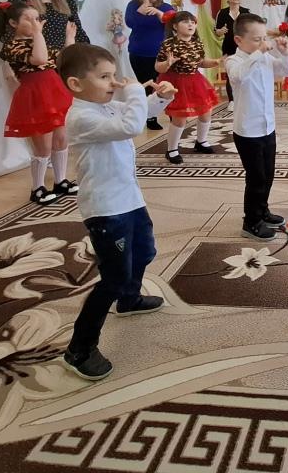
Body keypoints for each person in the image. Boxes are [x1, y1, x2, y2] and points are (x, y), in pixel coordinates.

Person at [57, 44, 176, 380]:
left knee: (145, 251)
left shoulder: (105, 107)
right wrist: (135, 90)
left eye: (113, 75)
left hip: (129, 199)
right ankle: (79, 349)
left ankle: (129, 300)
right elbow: (130, 126)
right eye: (104, 77)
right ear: (76, 84)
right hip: (106, 209)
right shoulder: (81, 117)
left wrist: (160, 98)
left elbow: (137, 112)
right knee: (113, 277)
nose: (113, 82)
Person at [0, 1, 76, 205]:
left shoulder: (38, 40)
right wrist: (38, 34)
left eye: (37, 18)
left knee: (61, 139)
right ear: (13, 23)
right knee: (43, 145)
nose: (35, 23)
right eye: (29, 19)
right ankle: (38, 188)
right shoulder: (12, 46)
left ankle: (60, 181)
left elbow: (63, 60)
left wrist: (69, 39)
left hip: (55, 93)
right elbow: (39, 59)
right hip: (35, 97)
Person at [225, 13, 288, 241]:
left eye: (263, 38)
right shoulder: (234, 61)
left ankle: (262, 210)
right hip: (248, 131)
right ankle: (251, 222)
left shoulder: (265, 57)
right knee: (256, 178)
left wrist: (285, 52)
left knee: (268, 174)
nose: (262, 43)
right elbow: (239, 77)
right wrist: (259, 52)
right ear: (239, 40)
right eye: (257, 39)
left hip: (268, 127)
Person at [155, 11, 220, 164]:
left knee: (206, 113)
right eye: (185, 21)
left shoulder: (197, 43)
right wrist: (167, 63)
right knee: (180, 118)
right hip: (176, 83)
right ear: (175, 26)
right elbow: (158, 67)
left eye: (192, 22)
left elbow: (201, 62)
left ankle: (201, 141)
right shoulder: (168, 44)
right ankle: (172, 149)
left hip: (195, 81)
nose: (190, 24)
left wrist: (215, 62)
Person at [125, 0, 174, 131]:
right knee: (147, 85)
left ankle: (173, 113)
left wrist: (159, 13)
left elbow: (174, 23)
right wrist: (144, 4)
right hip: (139, 53)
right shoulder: (134, 5)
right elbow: (131, 22)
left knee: (166, 84)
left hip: (162, 54)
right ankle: (150, 117)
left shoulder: (165, 6)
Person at [215, 0, 250, 106]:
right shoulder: (222, 12)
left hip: (245, 48)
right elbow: (217, 31)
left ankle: (245, 99)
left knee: (246, 73)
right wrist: (220, 31)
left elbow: (251, 28)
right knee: (231, 74)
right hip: (228, 47)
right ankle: (232, 101)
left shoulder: (246, 12)